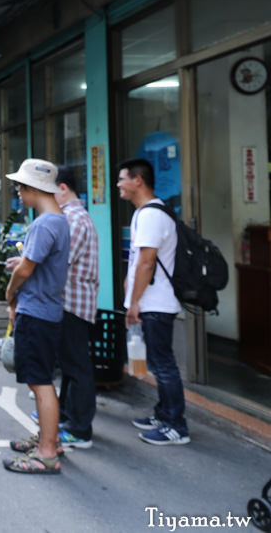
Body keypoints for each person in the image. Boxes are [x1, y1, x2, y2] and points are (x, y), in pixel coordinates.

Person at [2, 158, 70, 474]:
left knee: (40, 383)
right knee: (40, 380)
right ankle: (49, 440)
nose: (18, 192)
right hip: (48, 310)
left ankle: (46, 453)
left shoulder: (45, 223)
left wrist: (9, 292)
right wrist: (23, 263)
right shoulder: (59, 220)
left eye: (20, 187)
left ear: (32, 188)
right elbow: (34, 263)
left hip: (36, 312)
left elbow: (28, 269)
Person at [117, 158, 190, 445]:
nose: (119, 185)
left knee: (163, 365)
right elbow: (140, 262)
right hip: (152, 301)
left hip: (156, 303)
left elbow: (146, 264)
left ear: (138, 180)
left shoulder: (150, 215)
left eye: (122, 179)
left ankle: (176, 426)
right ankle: (163, 414)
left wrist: (134, 302)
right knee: (159, 363)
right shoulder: (144, 213)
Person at [53, 165, 100, 448]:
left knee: (78, 367)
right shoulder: (70, 217)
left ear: (63, 188)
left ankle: (80, 430)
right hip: (70, 303)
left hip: (73, 304)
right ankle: (66, 417)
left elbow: (61, 261)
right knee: (71, 366)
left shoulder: (75, 220)